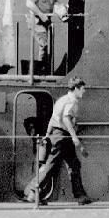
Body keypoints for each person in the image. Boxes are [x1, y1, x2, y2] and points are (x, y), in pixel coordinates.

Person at [24, 76, 92, 205]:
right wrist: (74, 137)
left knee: (72, 165)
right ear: (76, 89)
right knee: (53, 165)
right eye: (83, 89)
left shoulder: (62, 100)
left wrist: (48, 134)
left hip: (57, 135)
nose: (84, 91)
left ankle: (80, 196)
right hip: (63, 136)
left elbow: (53, 118)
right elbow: (66, 119)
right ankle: (33, 191)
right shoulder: (72, 102)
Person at [26, 0, 58, 74]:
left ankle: (44, 69)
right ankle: (40, 71)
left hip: (46, 21)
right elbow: (29, 2)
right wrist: (40, 14)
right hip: (37, 21)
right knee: (43, 44)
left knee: (46, 46)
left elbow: (55, 3)